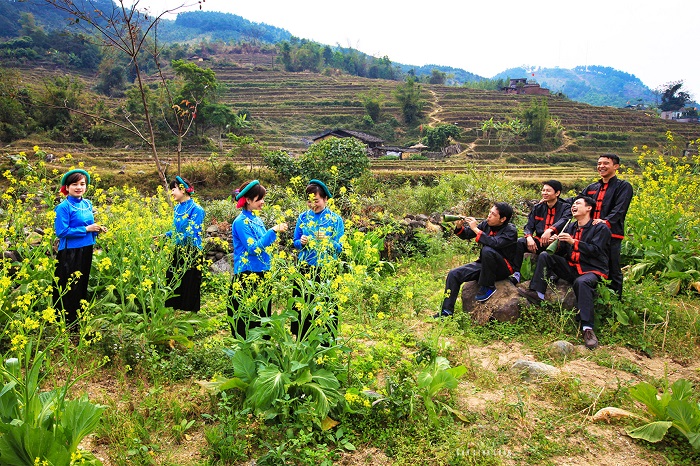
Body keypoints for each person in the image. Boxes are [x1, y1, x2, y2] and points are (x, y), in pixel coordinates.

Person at [517, 196, 611, 349]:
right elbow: (562, 250)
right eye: (573, 204)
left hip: (591, 269)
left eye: (578, 204)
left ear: (589, 208)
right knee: (546, 256)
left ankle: (587, 328)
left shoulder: (599, 228)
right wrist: (557, 242)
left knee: (581, 282)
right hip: (572, 267)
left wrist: (573, 242)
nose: (574, 206)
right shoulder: (571, 227)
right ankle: (537, 293)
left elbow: (596, 250)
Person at [434, 202, 517, 318]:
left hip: (503, 267)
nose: (489, 216)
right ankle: (446, 312)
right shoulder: (487, 224)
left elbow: (495, 243)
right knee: (454, 274)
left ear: (503, 219)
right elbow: (466, 234)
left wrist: (475, 229)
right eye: (489, 212)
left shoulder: (511, 230)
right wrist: (459, 226)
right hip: (485, 265)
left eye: (493, 214)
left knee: (488, 250)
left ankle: (488, 286)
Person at [228, 180, 288, 338]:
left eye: (263, 199)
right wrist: (273, 230)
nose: (263, 202)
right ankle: (246, 350)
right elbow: (253, 249)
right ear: (248, 200)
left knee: (262, 315)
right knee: (247, 317)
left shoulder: (257, 219)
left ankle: (261, 349)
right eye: (259, 199)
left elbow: (264, 245)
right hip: (247, 273)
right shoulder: (240, 222)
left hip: (262, 271)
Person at [292, 179, 345, 339]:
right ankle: (302, 340)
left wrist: (327, 241)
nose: (313, 204)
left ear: (325, 199)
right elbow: (295, 242)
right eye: (309, 201)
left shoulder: (335, 220)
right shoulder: (302, 218)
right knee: (303, 307)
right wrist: (301, 242)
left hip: (327, 270)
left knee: (325, 308)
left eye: (316, 201)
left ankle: (326, 343)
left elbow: (340, 248)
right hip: (305, 269)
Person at [53, 169, 106, 327]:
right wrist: (86, 230)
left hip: (86, 248)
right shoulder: (63, 207)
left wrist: (97, 229)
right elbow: (62, 232)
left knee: (82, 283)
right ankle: (66, 321)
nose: (79, 187)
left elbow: (88, 224)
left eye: (82, 184)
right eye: (74, 184)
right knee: (70, 286)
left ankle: (79, 316)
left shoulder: (87, 204)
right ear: (66, 187)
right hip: (70, 251)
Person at [579, 153, 633, 298]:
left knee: (613, 267)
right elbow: (577, 200)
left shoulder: (623, 186)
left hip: (612, 234)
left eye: (605, 163)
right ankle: (596, 297)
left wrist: (606, 221)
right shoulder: (592, 187)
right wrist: (553, 199)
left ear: (616, 166)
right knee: (589, 264)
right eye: (599, 163)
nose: (601, 166)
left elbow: (620, 209)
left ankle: (615, 302)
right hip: (590, 233)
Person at [511, 180, 571, 284]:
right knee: (520, 242)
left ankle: (553, 273)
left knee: (561, 247)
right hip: (539, 241)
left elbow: (564, 220)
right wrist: (529, 238)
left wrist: (550, 230)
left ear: (557, 193)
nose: (544, 193)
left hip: (556, 242)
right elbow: (529, 225)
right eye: (543, 190)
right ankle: (516, 273)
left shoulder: (565, 207)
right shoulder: (538, 207)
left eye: (548, 191)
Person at [164, 176, 205, 312]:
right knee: (173, 277)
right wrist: (165, 236)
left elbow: (191, 232)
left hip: (192, 249)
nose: (171, 192)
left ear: (183, 190)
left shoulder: (197, 209)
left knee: (190, 281)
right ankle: (175, 307)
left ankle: (190, 312)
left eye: (173, 189)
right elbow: (176, 229)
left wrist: (175, 237)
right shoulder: (177, 209)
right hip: (178, 247)